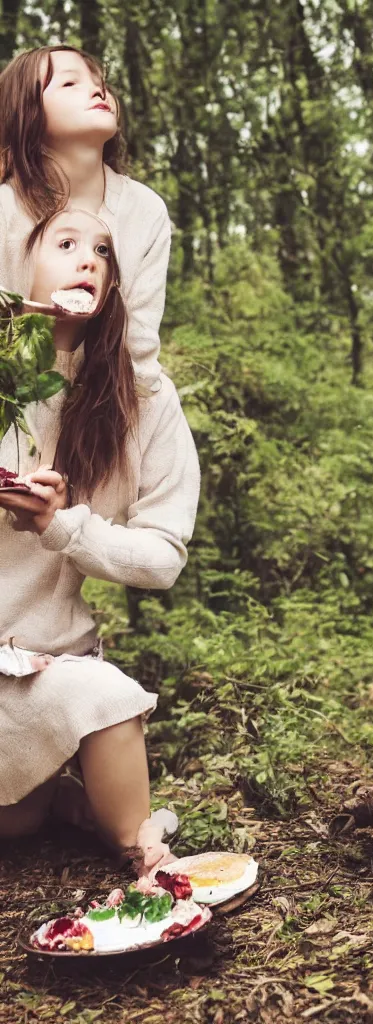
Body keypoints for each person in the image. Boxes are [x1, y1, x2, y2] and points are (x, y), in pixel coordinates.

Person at [0, 207, 199, 877]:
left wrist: (61, 527)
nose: (89, 259)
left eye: (105, 250)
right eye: (65, 243)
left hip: (46, 665)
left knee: (105, 696)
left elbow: (164, 555)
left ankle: (142, 855)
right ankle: (51, 802)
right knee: (17, 820)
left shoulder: (143, 397)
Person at [0, 45, 171, 389]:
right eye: (69, 83)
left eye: (100, 82)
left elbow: (138, 356)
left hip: (112, 407)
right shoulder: (5, 209)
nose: (98, 89)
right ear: (26, 111)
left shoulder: (145, 210)